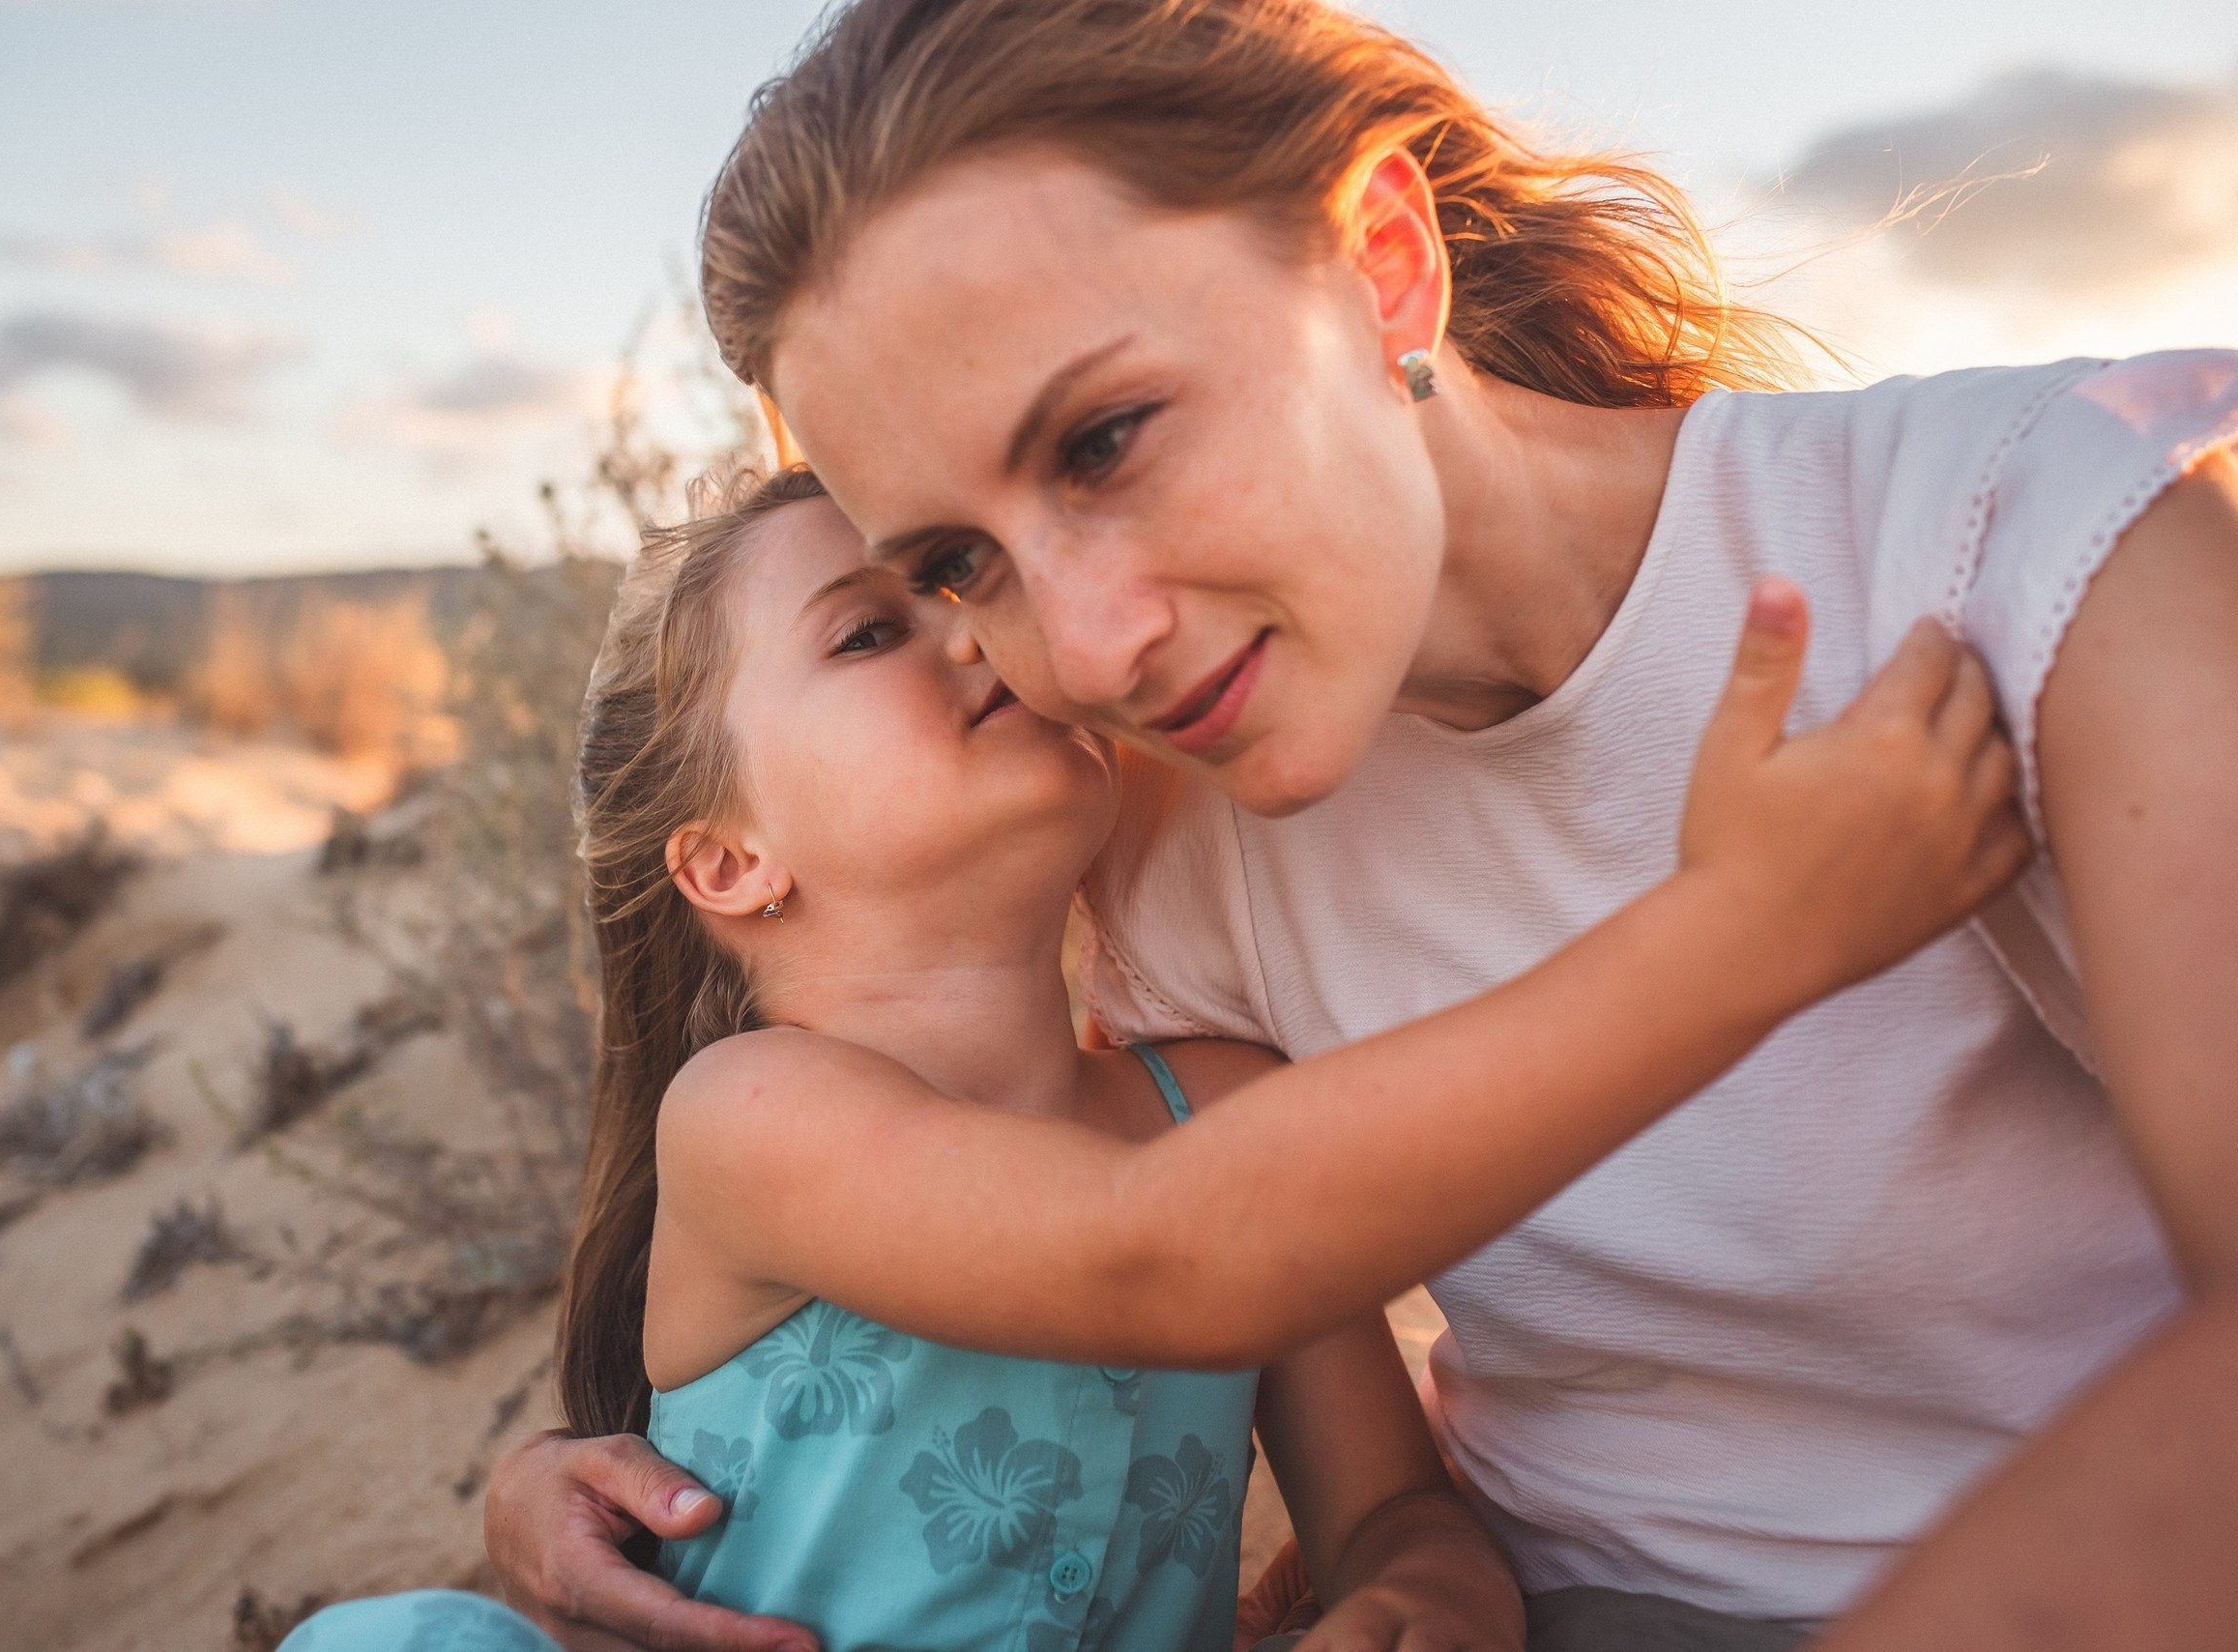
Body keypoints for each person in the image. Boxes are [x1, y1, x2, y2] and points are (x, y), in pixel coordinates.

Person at [489, 2, 2238, 1649]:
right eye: (951, 566)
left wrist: (1406, 1546)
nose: (1076, 650)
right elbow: (1101, 1211)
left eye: (1105, 440)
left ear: (1387, 269)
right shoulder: (1158, 825)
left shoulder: (2007, 550)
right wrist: (558, 1481)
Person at [288, 461, 2014, 1652]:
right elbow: (1157, 1251)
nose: (975, 631)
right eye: (870, 628)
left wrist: (1432, 1591)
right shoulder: (756, 1116)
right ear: (732, 861)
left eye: (961, 583)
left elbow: (1388, 1512)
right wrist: (1736, 935)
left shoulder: (1227, 1103)